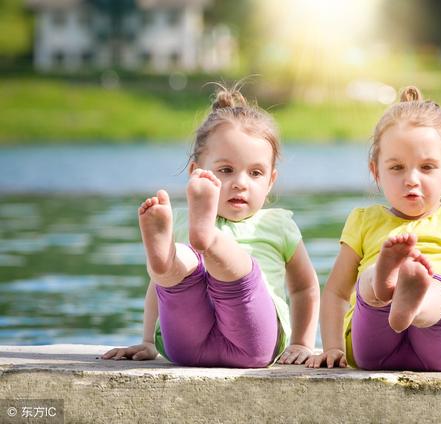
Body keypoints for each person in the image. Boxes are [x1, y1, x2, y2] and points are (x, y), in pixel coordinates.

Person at [307, 86, 441, 372]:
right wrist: (332, 348)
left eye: (427, 167)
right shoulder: (364, 220)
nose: (411, 179)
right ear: (376, 172)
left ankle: (416, 298)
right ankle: (384, 283)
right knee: (369, 283)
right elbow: (335, 291)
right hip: (372, 346)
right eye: (397, 168)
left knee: (438, 291)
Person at [103, 84, 319, 367]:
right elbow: (157, 287)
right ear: (196, 173)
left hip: (252, 342)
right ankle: (175, 255)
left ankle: (208, 241)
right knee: (173, 270)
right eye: (226, 170)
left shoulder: (277, 224)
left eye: (255, 173)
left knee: (233, 270)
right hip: (186, 344)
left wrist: (302, 343)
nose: (240, 182)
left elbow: (305, 287)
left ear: (271, 182)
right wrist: (147, 341)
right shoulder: (179, 221)